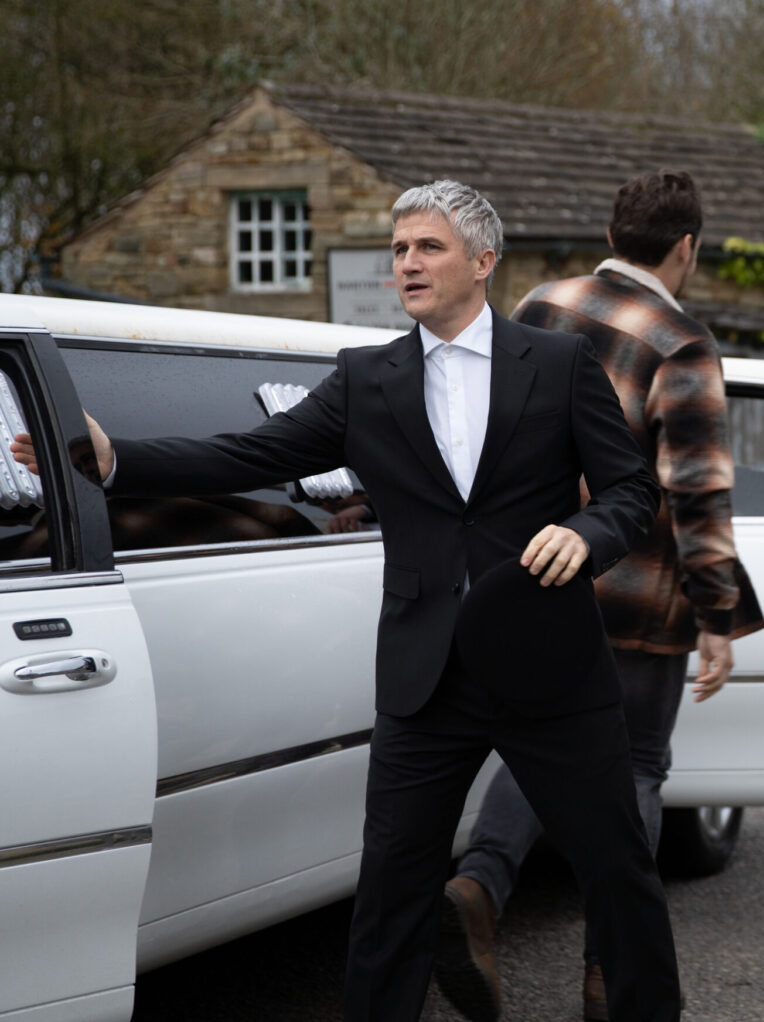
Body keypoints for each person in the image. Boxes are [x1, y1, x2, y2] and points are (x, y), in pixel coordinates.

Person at [14, 180, 684, 1019]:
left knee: (618, 874)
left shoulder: (557, 363)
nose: (407, 262)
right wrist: (114, 462)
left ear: (483, 262)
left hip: (549, 665)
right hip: (424, 677)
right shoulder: (368, 378)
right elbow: (249, 452)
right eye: (399, 249)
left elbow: (630, 491)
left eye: (428, 247)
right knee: (392, 897)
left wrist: (587, 534)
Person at [434, 169, 764, 1022]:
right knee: (637, 769)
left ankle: (478, 887)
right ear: (685, 247)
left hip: (534, 576)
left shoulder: (542, 302)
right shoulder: (683, 344)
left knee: (534, 748)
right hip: (638, 595)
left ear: (614, 231)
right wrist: (719, 615)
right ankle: (608, 973)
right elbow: (698, 494)